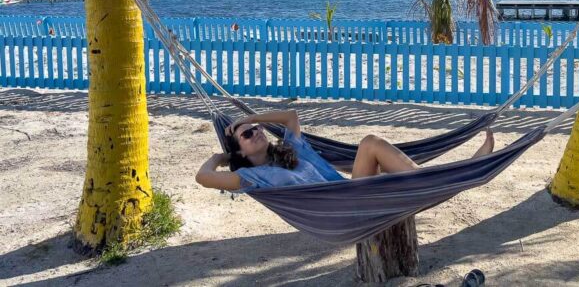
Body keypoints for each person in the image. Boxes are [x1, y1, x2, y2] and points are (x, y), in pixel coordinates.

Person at [195, 110, 494, 192]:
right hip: (340, 205)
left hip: (349, 192)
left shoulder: (287, 151)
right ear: (241, 151)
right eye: (248, 134)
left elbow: (291, 118)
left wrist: (251, 118)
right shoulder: (250, 177)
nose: (256, 132)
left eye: (256, 129)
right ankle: (446, 176)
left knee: (370, 142)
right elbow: (202, 177)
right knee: (370, 143)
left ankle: (449, 175)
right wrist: (221, 158)